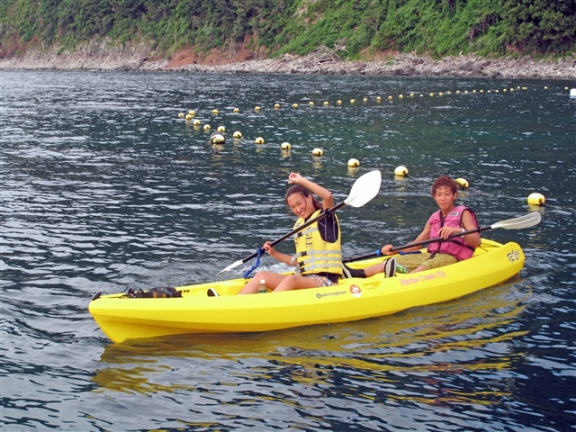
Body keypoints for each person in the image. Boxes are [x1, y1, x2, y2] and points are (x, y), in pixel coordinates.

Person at [352, 175, 481, 278]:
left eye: (447, 194)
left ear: (455, 195)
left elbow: (476, 242)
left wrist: (459, 231)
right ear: (434, 197)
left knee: (424, 266)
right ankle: (358, 274)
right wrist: (395, 250)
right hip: (431, 255)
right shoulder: (434, 218)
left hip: (451, 258)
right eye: (439, 194)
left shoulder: (463, 213)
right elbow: (417, 244)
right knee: (389, 262)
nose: (443, 198)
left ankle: (400, 282)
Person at [236, 172, 343, 294]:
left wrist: (301, 180)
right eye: (293, 207)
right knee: (262, 276)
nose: (297, 209)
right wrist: (274, 253)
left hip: (326, 282)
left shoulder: (325, 217)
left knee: (292, 279)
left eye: (299, 203)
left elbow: (327, 196)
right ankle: (235, 304)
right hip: (305, 280)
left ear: (309, 197)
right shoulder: (299, 224)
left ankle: (264, 307)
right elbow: (299, 262)